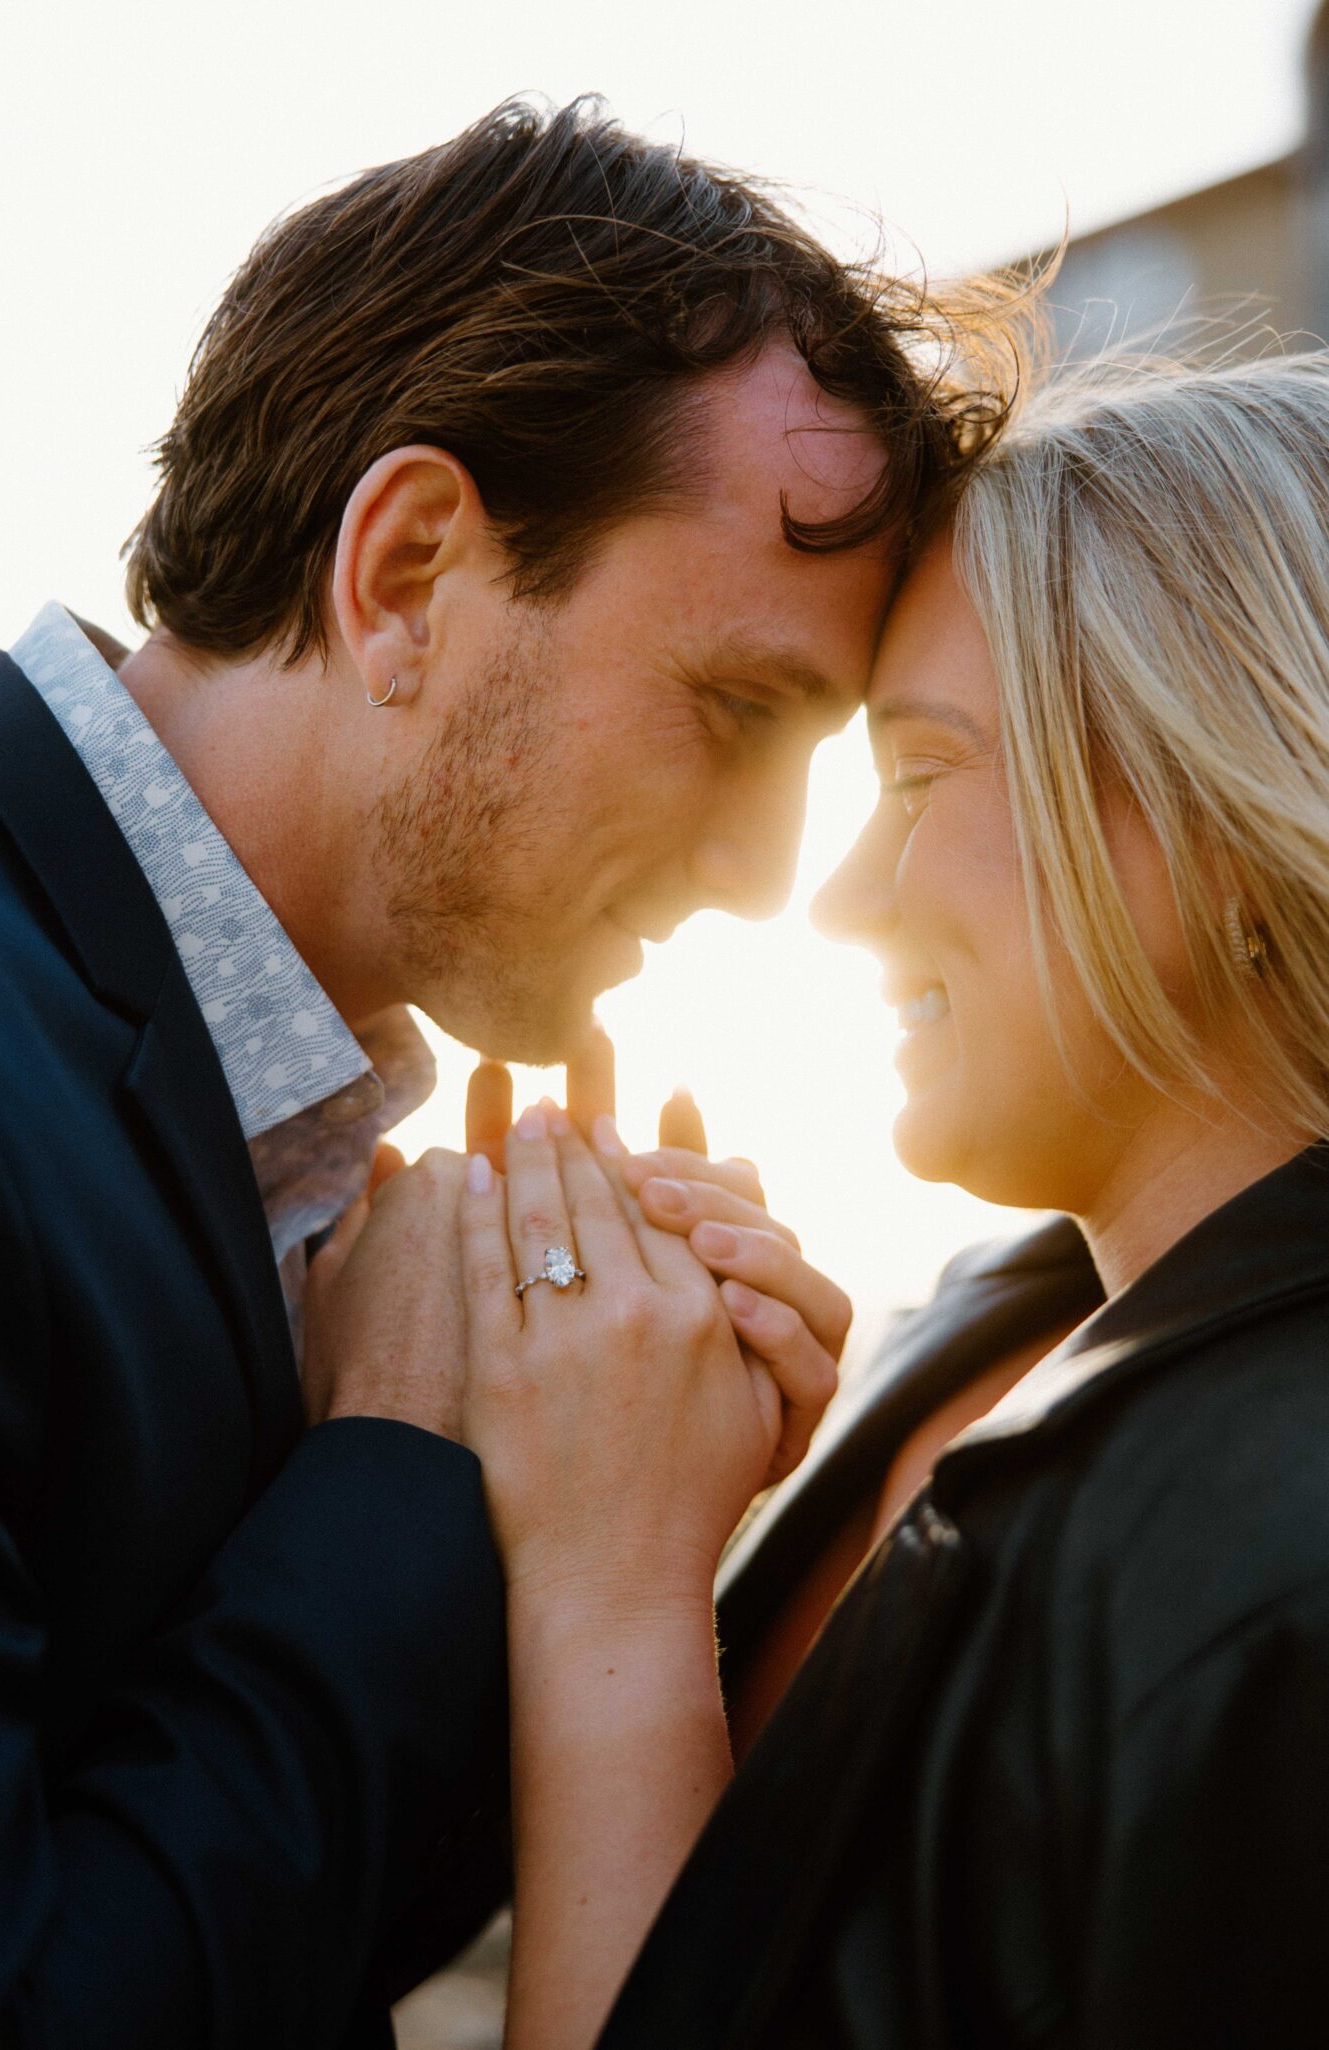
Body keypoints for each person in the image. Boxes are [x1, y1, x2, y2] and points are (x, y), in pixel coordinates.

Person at [0, 99, 1006, 2048]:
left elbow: (272, 1925)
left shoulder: (273, 1128)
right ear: (413, 565)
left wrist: (601, 1521)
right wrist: (400, 1484)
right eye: (740, 710)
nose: (773, 871)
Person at [441, 344, 1329, 2047]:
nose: (837, 898)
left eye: (918, 779)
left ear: (1216, 802)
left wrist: (614, 1586)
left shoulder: (1284, 1566)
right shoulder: (999, 1327)